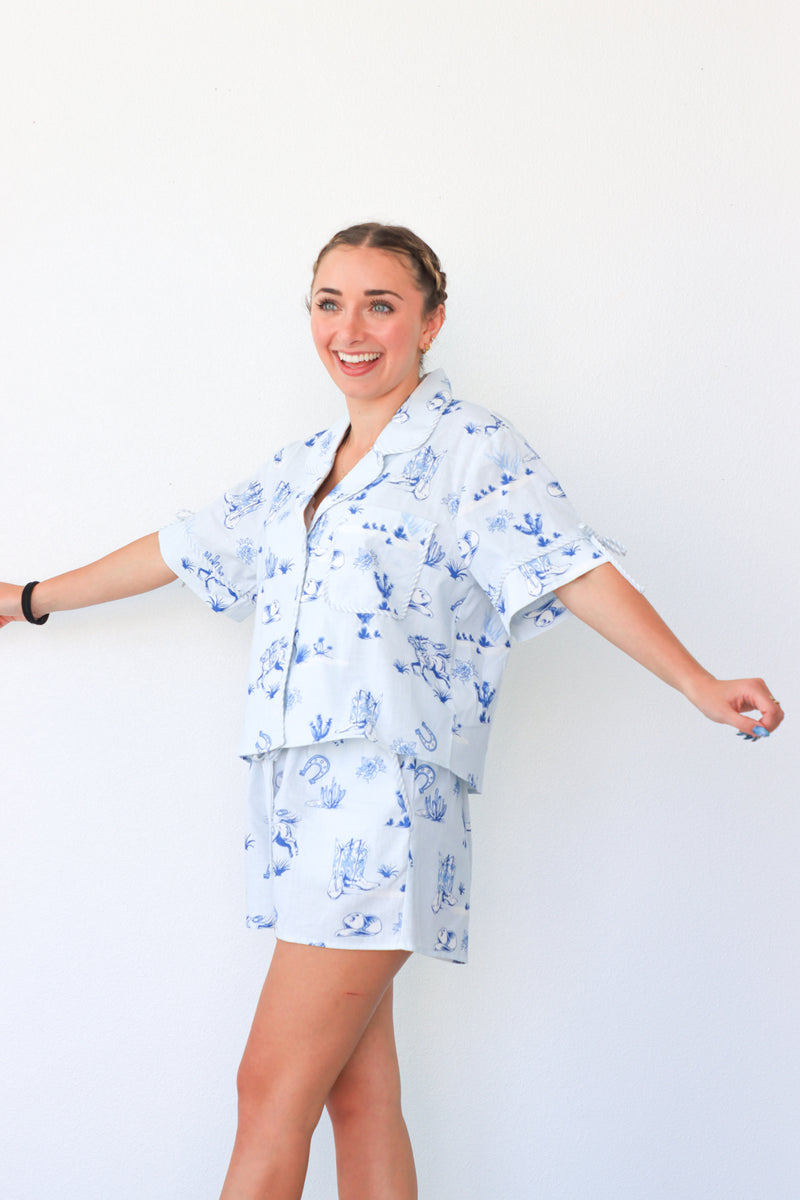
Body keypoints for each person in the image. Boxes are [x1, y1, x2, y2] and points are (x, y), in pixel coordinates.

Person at [1, 223, 784, 1200]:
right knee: (355, 1097)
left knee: (269, 1086)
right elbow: (184, 547)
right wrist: (27, 597)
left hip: (379, 805)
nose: (350, 327)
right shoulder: (300, 466)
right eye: (329, 302)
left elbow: (568, 563)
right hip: (298, 804)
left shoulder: (468, 448)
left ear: (429, 321)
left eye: (379, 303)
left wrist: (695, 682)